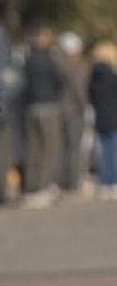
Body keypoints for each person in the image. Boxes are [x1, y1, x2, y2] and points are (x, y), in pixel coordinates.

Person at [20, 23, 65, 208]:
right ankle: (44, 186)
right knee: (50, 148)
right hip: (49, 106)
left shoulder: (27, 58)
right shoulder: (50, 58)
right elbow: (60, 80)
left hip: (31, 107)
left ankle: (31, 188)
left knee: (33, 149)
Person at [56, 31, 90, 195]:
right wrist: (85, 106)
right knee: (75, 145)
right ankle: (74, 180)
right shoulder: (78, 65)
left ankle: (63, 179)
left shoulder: (58, 63)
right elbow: (79, 89)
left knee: (62, 146)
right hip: (74, 110)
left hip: (60, 109)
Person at [88, 40, 117, 199]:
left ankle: (106, 181)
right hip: (113, 117)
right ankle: (113, 181)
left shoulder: (94, 77)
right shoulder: (112, 77)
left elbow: (91, 97)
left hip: (100, 117)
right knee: (113, 152)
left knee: (104, 152)